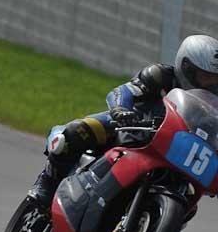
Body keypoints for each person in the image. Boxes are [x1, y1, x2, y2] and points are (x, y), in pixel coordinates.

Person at [28, 35, 218, 208]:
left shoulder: (212, 105)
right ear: (187, 68)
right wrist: (121, 110)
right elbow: (123, 91)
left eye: (215, 79)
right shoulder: (160, 75)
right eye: (205, 76)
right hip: (132, 126)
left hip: (173, 150)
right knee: (76, 132)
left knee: (191, 198)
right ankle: (46, 183)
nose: (210, 84)